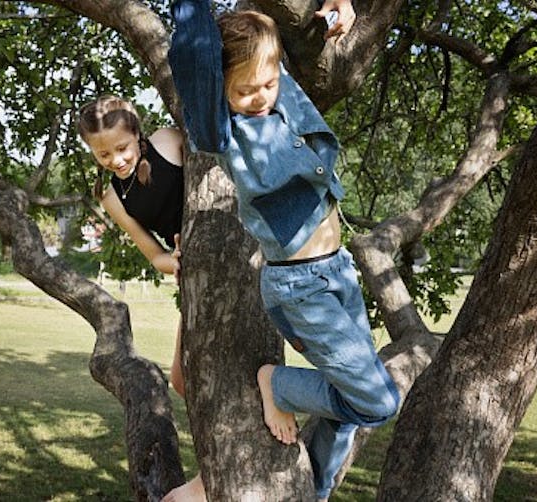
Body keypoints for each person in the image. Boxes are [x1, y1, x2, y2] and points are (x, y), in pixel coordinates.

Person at [168, 0, 400, 500]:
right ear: (221, 90)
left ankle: (311, 491)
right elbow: (196, 55)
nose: (258, 97)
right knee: (378, 402)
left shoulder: (282, 94)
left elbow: (275, 47)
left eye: (267, 84)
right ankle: (276, 383)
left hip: (338, 272)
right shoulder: (225, 132)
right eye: (243, 91)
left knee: (343, 413)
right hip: (300, 288)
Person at [78, 95, 186, 393]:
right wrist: (176, 261)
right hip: (191, 266)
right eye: (103, 155)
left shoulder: (167, 141)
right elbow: (154, 255)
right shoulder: (110, 196)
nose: (116, 160)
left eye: (122, 148)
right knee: (181, 381)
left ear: (137, 134)